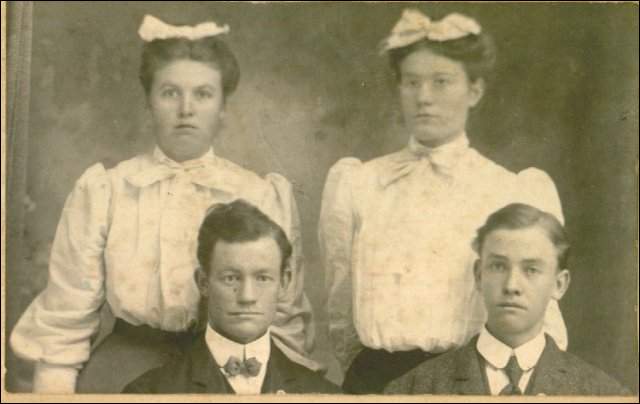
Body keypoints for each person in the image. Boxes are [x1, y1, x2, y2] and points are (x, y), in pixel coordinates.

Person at [10, 15, 315, 393]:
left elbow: (283, 317)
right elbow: (66, 318)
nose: (186, 109)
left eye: (203, 94)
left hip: (226, 370)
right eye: (170, 93)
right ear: (149, 103)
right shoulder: (108, 190)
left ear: (222, 107)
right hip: (124, 371)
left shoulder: (258, 194)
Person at [319, 9, 568, 393]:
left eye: (441, 82)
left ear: (474, 91)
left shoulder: (510, 189)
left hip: (473, 382)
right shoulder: (359, 183)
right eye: (411, 82)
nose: (424, 98)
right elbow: (341, 308)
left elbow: (543, 313)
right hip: (376, 382)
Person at [385, 203, 630, 395]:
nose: (512, 286)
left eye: (531, 270)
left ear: (559, 285)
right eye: (498, 266)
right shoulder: (413, 389)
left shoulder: (602, 393)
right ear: (479, 275)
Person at [124, 200, 340, 394]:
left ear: (284, 283)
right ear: (203, 282)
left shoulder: (324, 395)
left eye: (262, 278)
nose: (247, 296)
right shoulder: (149, 393)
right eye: (231, 278)